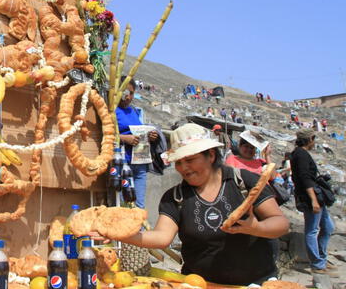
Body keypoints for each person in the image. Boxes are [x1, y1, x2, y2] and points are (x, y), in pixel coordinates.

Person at [90, 124, 289, 285]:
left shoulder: (243, 182)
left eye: (190, 160)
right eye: (178, 162)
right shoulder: (175, 197)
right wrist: (118, 233)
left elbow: (280, 223)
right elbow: (161, 237)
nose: (183, 168)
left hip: (254, 283)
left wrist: (256, 228)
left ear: (211, 155)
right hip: (198, 284)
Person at [290, 129, 337, 277]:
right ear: (309, 139)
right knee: (312, 230)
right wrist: (313, 200)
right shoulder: (300, 154)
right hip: (310, 198)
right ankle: (317, 264)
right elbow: (305, 178)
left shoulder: (300, 153)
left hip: (316, 197)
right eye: (313, 139)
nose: (314, 142)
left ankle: (322, 259)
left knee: (328, 227)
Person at [115, 77, 159, 209]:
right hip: (123, 164)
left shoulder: (133, 111)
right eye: (126, 92)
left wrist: (150, 136)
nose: (128, 97)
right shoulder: (111, 110)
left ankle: (139, 229)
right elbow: (105, 134)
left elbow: (139, 131)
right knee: (123, 205)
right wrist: (124, 138)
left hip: (140, 164)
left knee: (139, 205)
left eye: (131, 93)